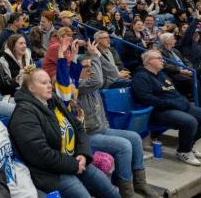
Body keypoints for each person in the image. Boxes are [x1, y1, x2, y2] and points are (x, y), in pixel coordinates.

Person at [8, 65, 120, 197]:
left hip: (75, 160)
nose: (50, 85)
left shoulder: (53, 100)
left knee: (110, 191)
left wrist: (83, 154)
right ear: (31, 88)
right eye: (44, 83)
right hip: (50, 173)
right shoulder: (24, 114)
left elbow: (78, 127)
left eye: (49, 81)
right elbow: (40, 155)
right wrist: (73, 165)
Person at [65, 40, 158, 197]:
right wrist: (93, 57)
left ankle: (140, 183)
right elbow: (98, 80)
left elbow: (114, 75)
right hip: (88, 136)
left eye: (91, 67)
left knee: (134, 138)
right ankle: (126, 191)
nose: (90, 70)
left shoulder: (92, 82)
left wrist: (99, 56)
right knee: (123, 146)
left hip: (102, 129)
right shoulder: (77, 86)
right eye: (86, 67)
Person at [132, 49, 201, 166]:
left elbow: (173, 92)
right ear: (149, 61)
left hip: (176, 106)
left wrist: (181, 101)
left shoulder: (161, 74)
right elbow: (145, 98)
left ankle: (189, 145)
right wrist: (170, 103)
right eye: (159, 58)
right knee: (190, 121)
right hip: (158, 111)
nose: (162, 60)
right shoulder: (141, 77)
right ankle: (183, 151)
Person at [157, 33, 194, 98]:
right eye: (173, 39)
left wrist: (189, 69)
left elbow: (186, 61)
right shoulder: (160, 52)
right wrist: (180, 71)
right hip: (175, 73)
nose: (175, 40)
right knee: (193, 80)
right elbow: (165, 66)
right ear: (167, 41)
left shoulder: (176, 50)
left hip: (186, 71)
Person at [0, 34, 33, 98]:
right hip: (13, 95)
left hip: (30, 90)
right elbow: (4, 87)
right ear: (13, 46)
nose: (24, 46)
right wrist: (17, 79)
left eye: (25, 43)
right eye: (21, 43)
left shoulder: (28, 57)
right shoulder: (4, 61)